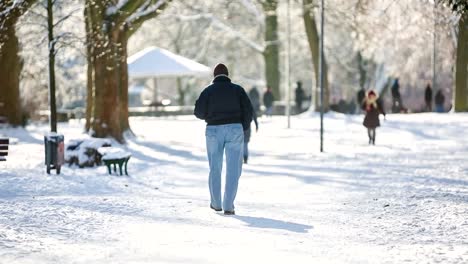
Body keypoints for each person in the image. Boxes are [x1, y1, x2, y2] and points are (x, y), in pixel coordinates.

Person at [194, 63, 253, 215]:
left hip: (213, 129)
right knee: (233, 169)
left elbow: (198, 112)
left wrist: (210, 116)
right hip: (235, 128)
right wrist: (243, 126)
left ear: (214, 76)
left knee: (215, 167)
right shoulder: (238, 90)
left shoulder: (208, 91)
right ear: (228, 75)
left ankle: (215, 203)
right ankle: (228, 205)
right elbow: (248, 110)